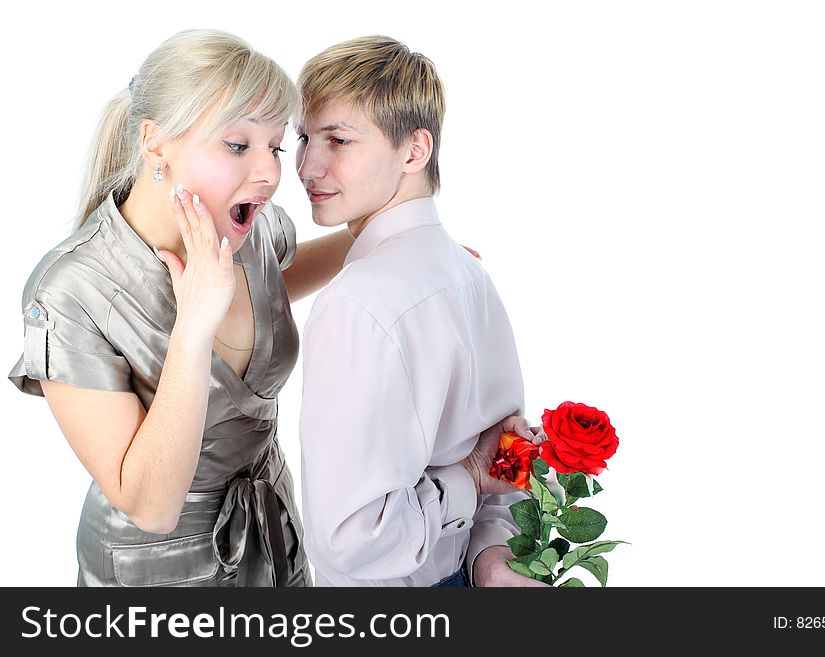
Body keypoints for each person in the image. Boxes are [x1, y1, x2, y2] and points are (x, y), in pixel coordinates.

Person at [6, 29, 359, 586]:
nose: (269, 173)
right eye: (238, 145)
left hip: (273, 540)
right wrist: (194, 327)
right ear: (155, 144)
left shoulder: (250, 225)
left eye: (276, 146)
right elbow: (150, 505)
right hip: (155, 573)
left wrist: (392, 241)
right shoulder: (69, 293)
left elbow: (274, 284)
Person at [296, 36, 547, 587]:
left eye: (338, 140)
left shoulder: (357, 305)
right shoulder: (467, 272)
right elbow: (511, 457)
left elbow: (349, 544)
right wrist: (489, 554)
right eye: (304, 138)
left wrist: (472, 479)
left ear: (414, 151)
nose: (307, 166)